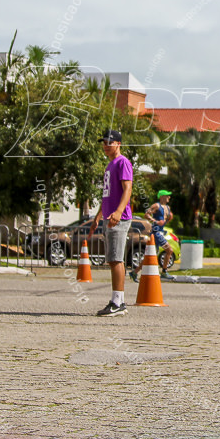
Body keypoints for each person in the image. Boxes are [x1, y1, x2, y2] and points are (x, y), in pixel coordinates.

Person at [91, 129, 133, 317]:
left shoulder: (122, 162)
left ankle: (118, 302)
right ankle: (118, 300)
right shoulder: (110, 165)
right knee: (112, 259)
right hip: (108, 218)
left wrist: (118, 211)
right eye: (104, 142)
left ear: (118, 144)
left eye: (110, 142)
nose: (106, 145)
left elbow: (128, 188)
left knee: (116, 259)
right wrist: (97, 217)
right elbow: (107, 195)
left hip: (119, 218)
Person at [144, 190, 175, 280]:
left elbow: (165, 221)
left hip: (161, 232)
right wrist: (156, 221)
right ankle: (164, 271)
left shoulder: (167, 207)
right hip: (156, 233)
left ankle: (134, 272)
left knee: (152, 255)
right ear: (162, 197)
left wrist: (169, 219)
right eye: (167, 196)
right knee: (169, 250)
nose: (169, 197)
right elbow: (146, 215)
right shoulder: (156, 205)